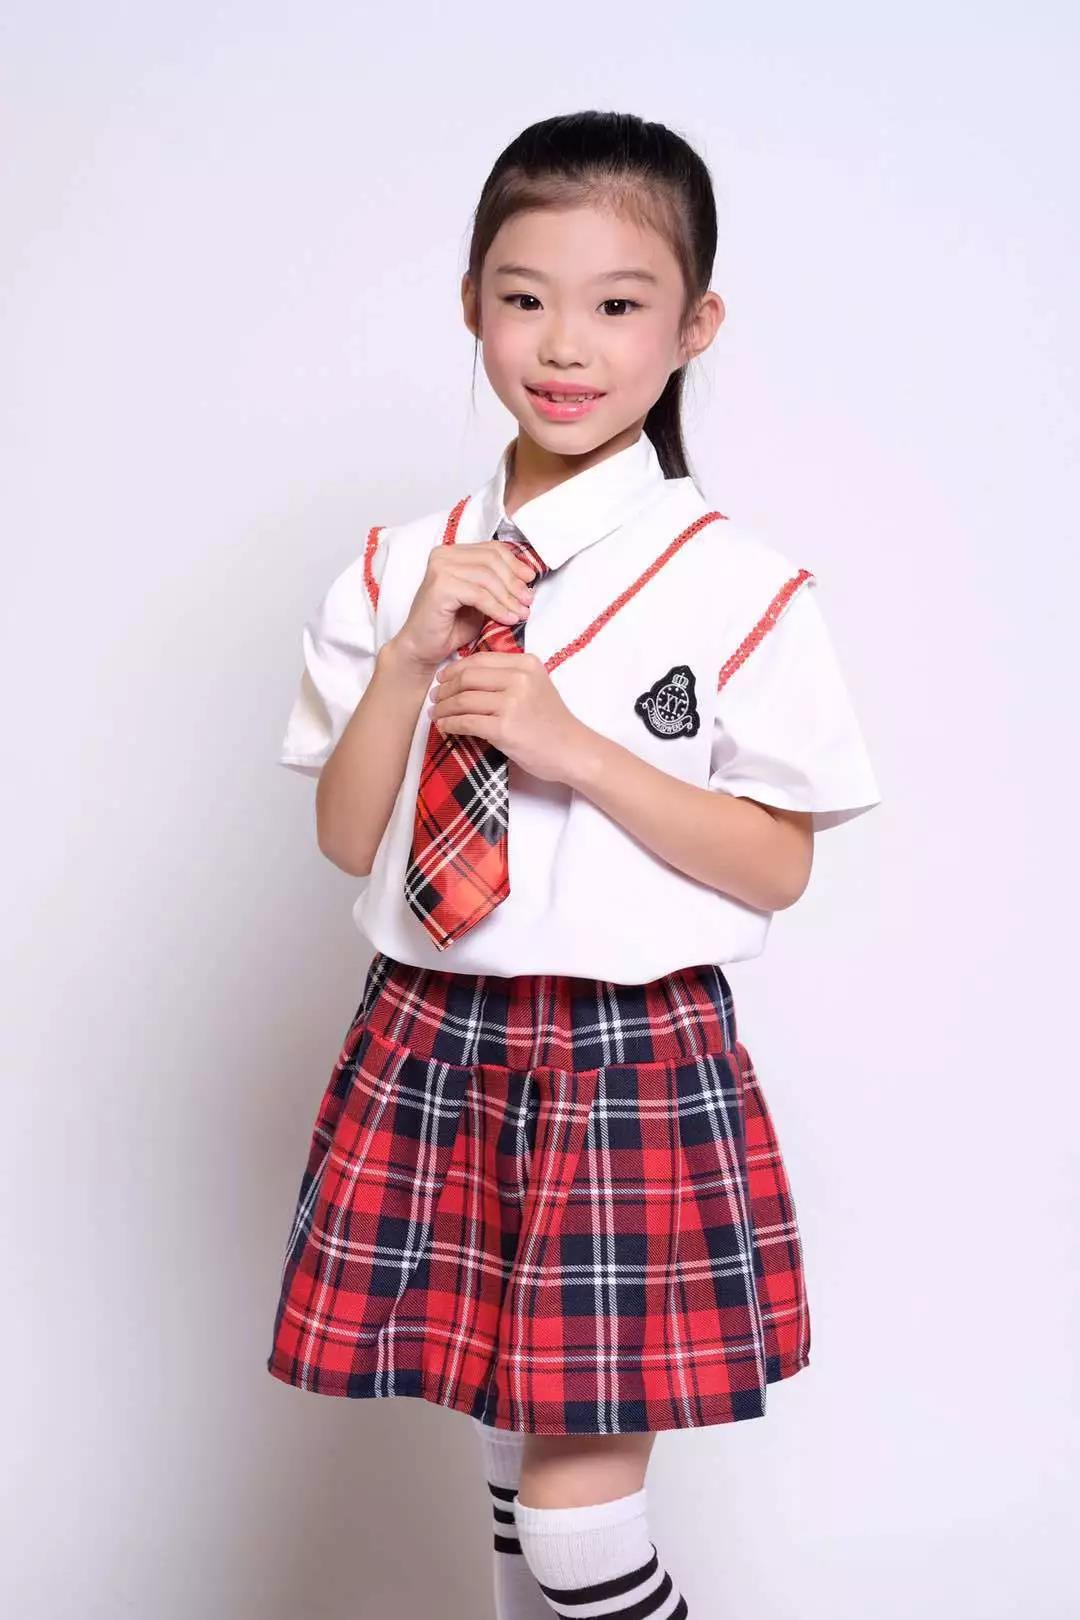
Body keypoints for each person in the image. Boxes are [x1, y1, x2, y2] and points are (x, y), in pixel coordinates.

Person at [266, 109, 882, 1620]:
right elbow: (347, 838)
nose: (564, 344)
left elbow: (777, 866)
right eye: (525, 296)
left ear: (694, 326)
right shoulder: (397, 565)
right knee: (506, 1467)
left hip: (627, 1058)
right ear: (471, 303)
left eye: (617, 304)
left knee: (576, 1539)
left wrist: (579, 751)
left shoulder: (738, 584)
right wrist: (411, 659)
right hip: (432, 1036)